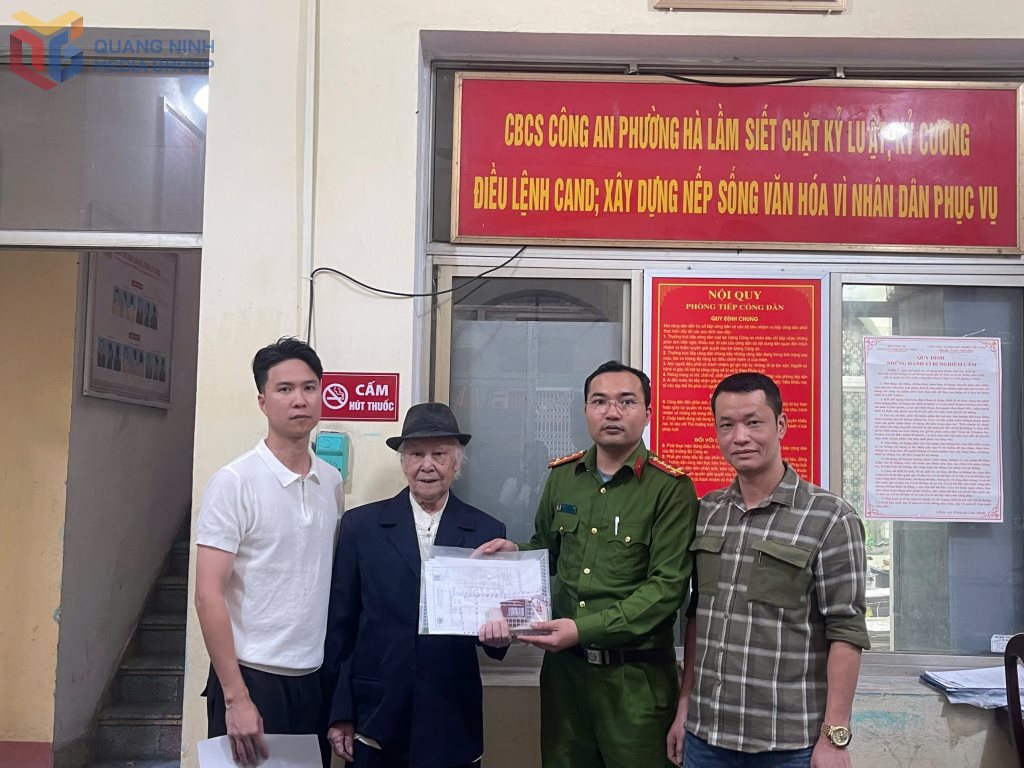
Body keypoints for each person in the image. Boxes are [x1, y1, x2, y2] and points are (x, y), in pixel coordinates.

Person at [479, 360, 699, 768]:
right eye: (599, 401)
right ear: (585, 410)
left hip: (635, 683)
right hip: (565, 679)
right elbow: (547, 551)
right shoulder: (564, 478)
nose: (611, 412)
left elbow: (666, 589)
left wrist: (582, 629)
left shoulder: (670, 489)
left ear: (648, 413)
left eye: (626, 401)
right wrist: (515, 555)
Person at [667, 372, 869, 768]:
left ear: (780, 425)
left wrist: (835, 738)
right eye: (727, 425)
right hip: (705, 739)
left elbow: (845, 631)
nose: (740, 436)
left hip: (789, 744)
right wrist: (684, 706)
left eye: (753, 422)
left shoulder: (829, 517)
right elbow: (697, 617)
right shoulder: (706, 513)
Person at [324, 402, 511, 768]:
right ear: (403, 462)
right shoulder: (361, 527)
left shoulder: (487, 532)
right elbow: (340, 628)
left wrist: (501, 635)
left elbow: (492, 631)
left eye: (439, 454)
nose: (428, 465)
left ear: (457, 463)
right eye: (416, 454)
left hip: (452, 716)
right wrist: (340, 710)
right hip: (374, 715)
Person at [194, 337, 344, 767]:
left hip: (312, 680)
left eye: (309, 387)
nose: (300, 400)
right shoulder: (234, 481)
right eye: (285, 389)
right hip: (251, 679)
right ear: (263, 402)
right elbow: (208, 593)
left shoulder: (331, 481)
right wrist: (236, 697)